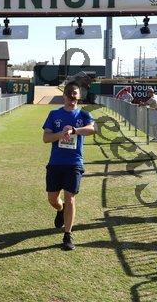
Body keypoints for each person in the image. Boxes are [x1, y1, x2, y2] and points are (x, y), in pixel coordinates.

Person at [42, 82, 95, 251]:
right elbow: (46, 138)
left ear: (79, 96)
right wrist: (61, 134)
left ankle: (68, 235)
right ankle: (60, 209)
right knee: (52, 199)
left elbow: (91, 129)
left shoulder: (84, 114)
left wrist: (74, 130)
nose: (72, 96)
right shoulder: (54, 114)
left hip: (74, 163)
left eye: (75, 93)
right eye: (69, 93)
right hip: (56, 163)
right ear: (64, 95)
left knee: (70, 198)